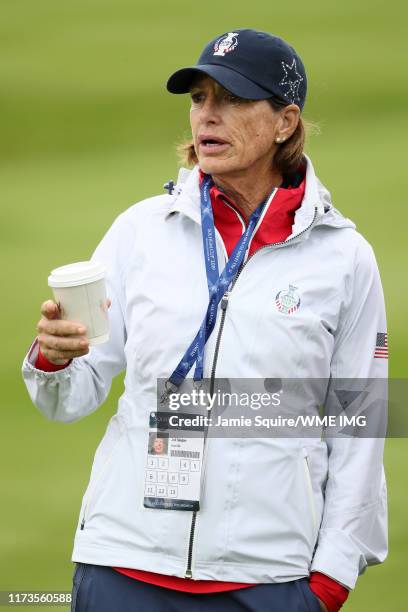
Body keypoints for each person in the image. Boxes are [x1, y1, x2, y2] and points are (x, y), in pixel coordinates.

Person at [22, 29, 388, 612]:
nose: (208, 117)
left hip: (268, 579)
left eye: (234, 100)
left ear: (285, 122)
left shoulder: (343, 259)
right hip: (125, 566)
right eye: (199, 99)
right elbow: (67, 398)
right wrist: (55, 358)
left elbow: (360, 422)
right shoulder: (141, 231)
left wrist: (331, 577)